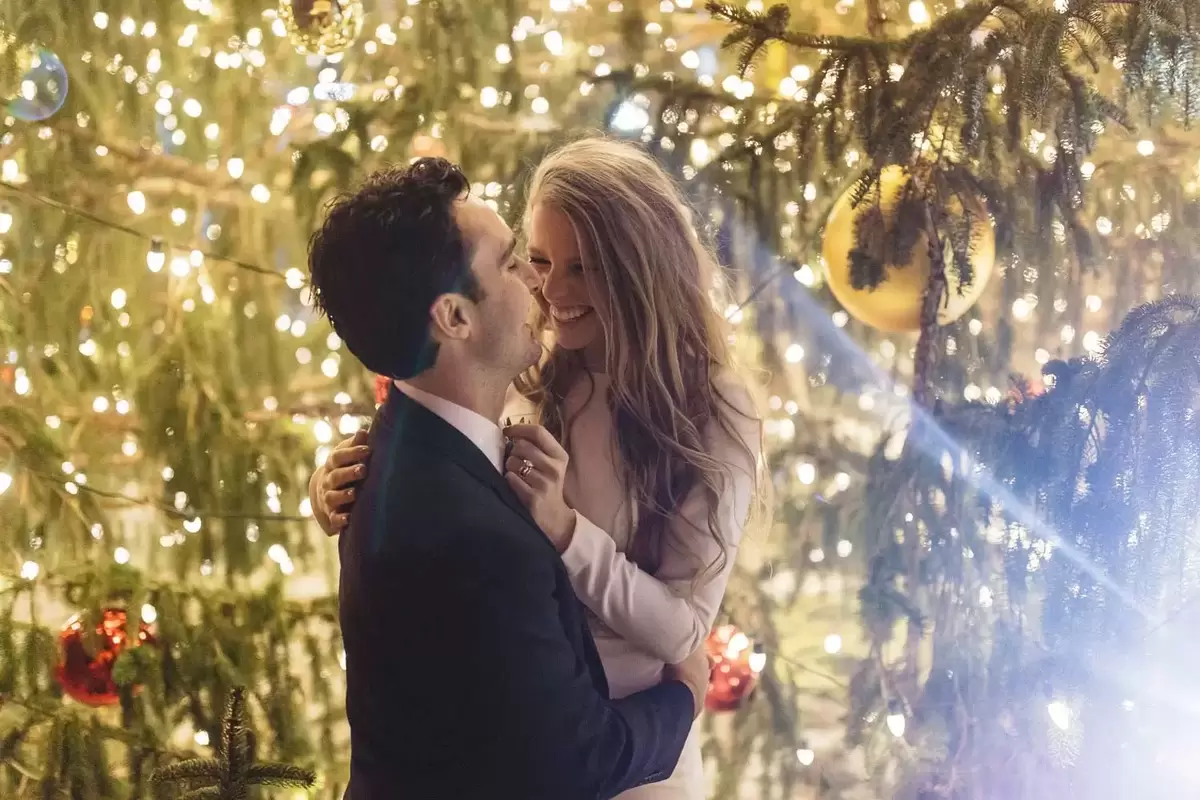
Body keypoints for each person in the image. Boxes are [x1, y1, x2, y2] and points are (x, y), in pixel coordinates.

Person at [312, 138, 766, 799]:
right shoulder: (528, 373)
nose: (549, 290)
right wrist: (329, 486)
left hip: (638, 755)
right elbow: (438, 457)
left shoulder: (714, 409)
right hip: (534, 741)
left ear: (640, 269)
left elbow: (685, 631)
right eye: (538, 260)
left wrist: (567, 533)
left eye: (582, 269)